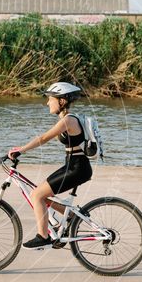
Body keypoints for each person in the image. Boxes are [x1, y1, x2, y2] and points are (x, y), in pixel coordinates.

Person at [8, 82, 93, 250]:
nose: (47, 103)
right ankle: (74, 216)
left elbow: (43, 138)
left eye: (50, 99)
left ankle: (43, 236)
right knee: (38, 194)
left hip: (77, 168)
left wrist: (21, 150)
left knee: (37, 195)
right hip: (74, 166)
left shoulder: (68, 120)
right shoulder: (67, 119)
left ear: (62, 101)